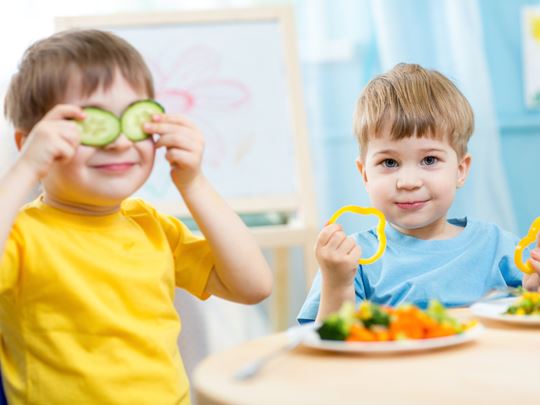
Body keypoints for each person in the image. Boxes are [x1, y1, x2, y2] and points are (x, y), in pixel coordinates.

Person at [0, 29, 272, 404]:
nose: (119, 141)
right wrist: (23, 168)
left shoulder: (150, 225)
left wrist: (193, 183)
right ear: (29, 142)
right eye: (89, 125)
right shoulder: (20, 235)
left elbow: (253, 285)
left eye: (133, 119)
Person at [298, 63, 540, 324]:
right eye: (389, 163)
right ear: (365, 174)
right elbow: (327, 347)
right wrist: (337, 284)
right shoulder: (352, 261)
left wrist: (533, 293)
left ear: (460, 170)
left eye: (429, 160)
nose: (409, 182)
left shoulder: (499, 249)